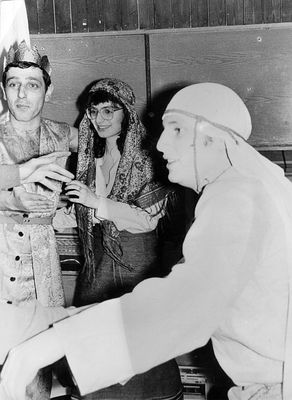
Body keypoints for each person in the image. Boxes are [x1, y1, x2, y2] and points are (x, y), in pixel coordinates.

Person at [2, 81, 292, 400]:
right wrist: (47, 326)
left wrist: (46, 346)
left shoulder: (236, 194)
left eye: (177, 130)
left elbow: (182, 306)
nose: (162, 144)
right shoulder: (257, 183)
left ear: (213, 136)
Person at [63, 77, 184, 399]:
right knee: (96, 351)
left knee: (143, 354)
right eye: (93, 111)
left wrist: (95, 202)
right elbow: (81, 214)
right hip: (97, 269)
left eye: (108, 111)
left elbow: (146, 221)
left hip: (137, 268)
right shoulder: (90, 162)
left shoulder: (149, 161)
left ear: (126, 114)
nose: (99, 119)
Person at [0, 39, 77, 399]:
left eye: (32, 85)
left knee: (38, 368)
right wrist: (10, 199)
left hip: (42, 266)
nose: (21, 95)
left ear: (49, 89)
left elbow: (119, 139)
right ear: (3, 89)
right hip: (0, 262)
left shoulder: (64, 135)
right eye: (13, 84)